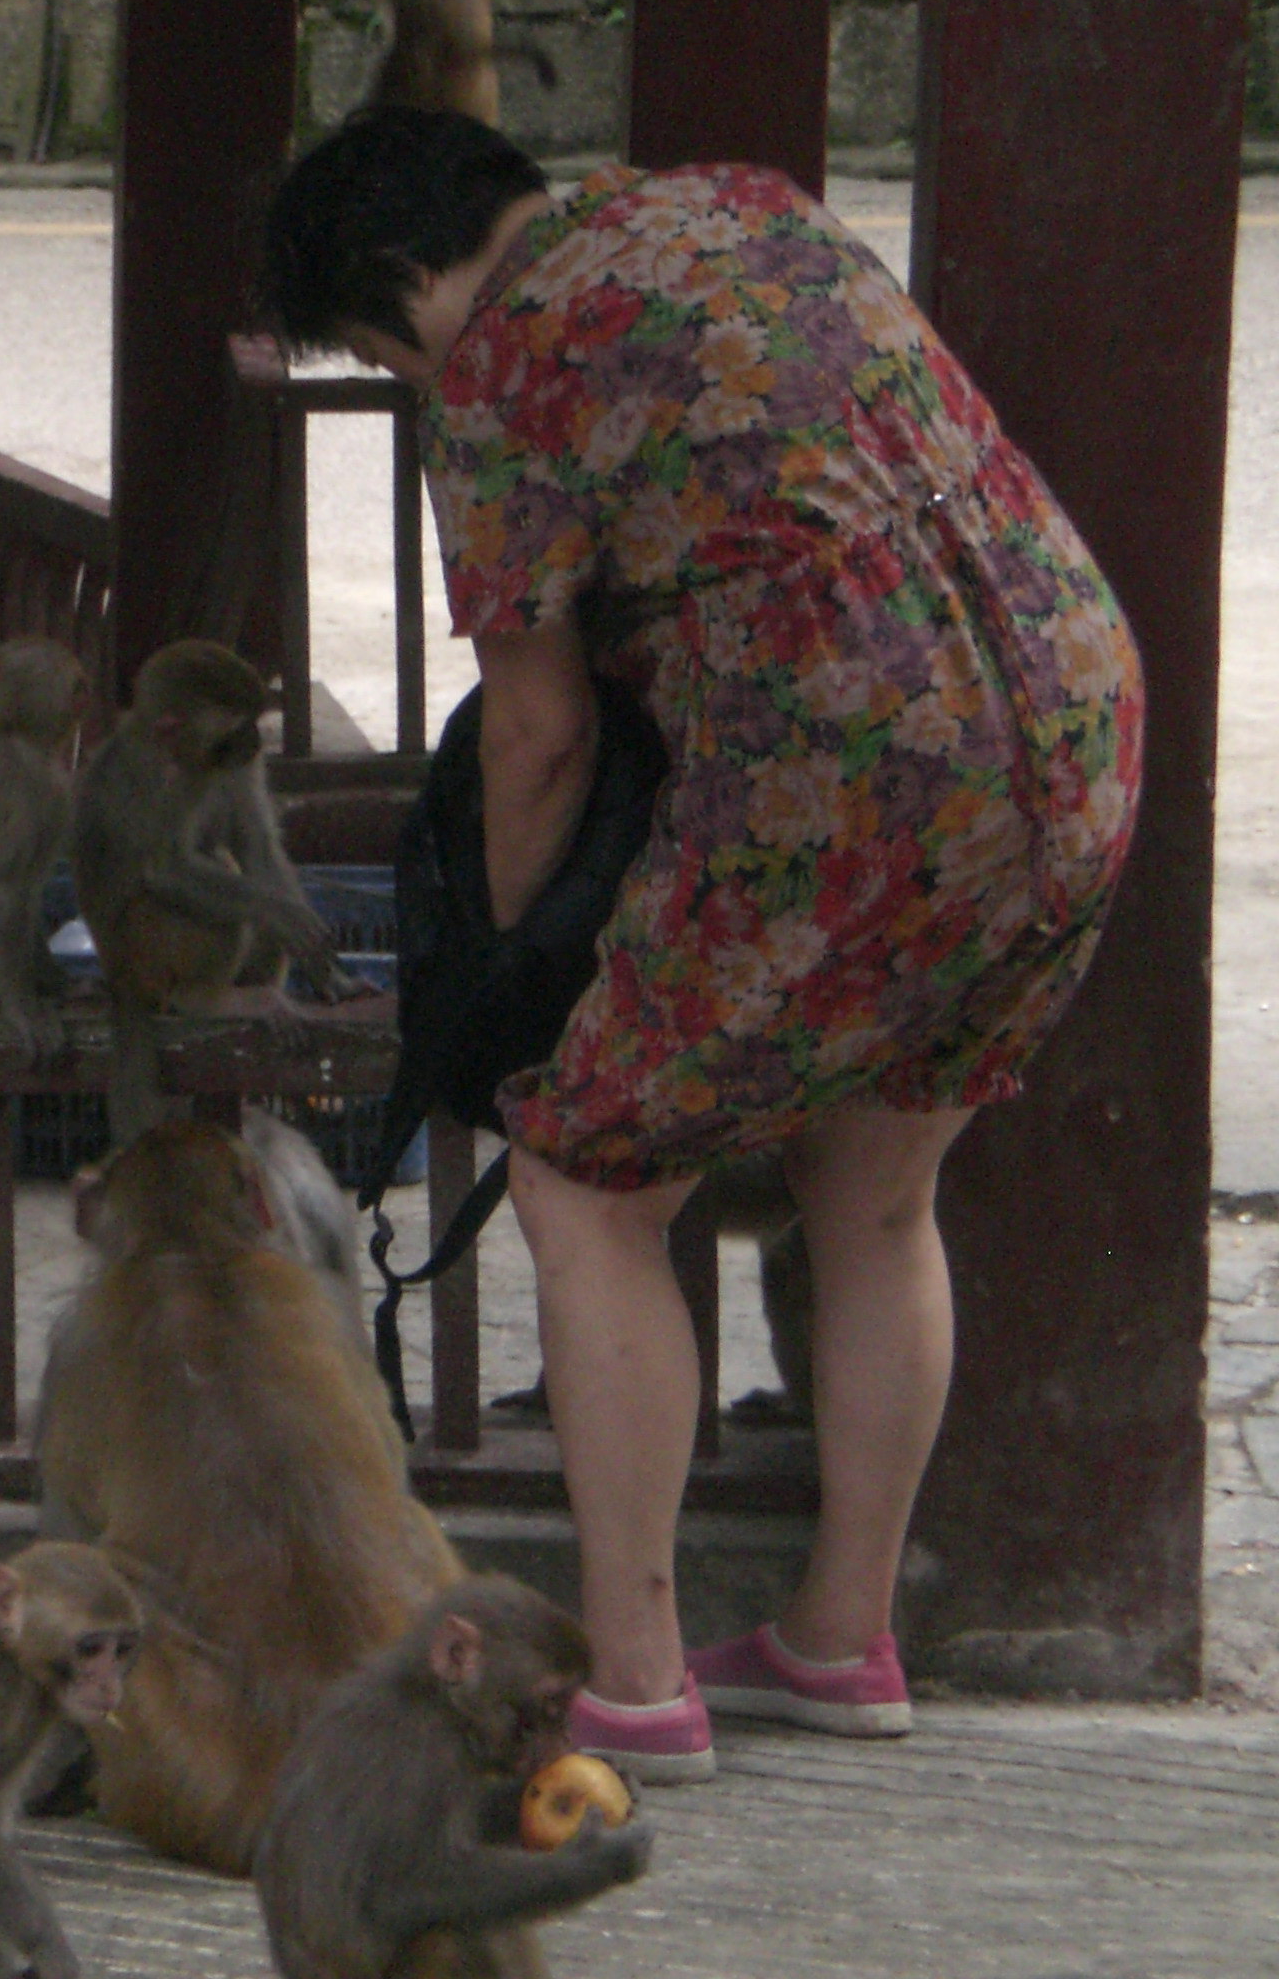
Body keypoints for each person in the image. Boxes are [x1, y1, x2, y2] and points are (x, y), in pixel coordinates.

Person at [257, 109, 1142, 1781]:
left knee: (588, 1182)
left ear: (404, 284)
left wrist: (520, 978)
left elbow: (537, 734)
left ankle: (640, 1684)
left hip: (855, 757)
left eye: (384, 354)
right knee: (877, 1198)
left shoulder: (507, 360)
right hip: (1070, 714)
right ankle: (837, 1640)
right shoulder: (740, 206)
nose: (409, 380)